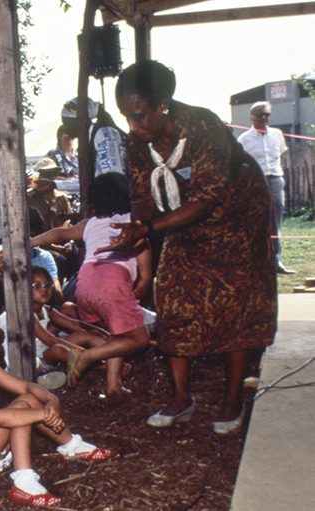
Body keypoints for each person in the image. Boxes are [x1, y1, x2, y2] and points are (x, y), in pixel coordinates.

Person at [105, 60, 276, 433]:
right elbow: (140, 195)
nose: (132, 126)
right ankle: (182, 398)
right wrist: (137, 229)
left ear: (163, 104)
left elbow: (208, 200)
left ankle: (232, 400)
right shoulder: (138, 140)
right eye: (126, 117)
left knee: (234, 300)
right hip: (182, 216)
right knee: (172, 293)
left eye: (138, 115)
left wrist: (149, 227)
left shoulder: (202, 125)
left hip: (238, 215)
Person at [0, 315, 112, 505]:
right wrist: (42, 414)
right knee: (18, 413)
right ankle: (24, 481)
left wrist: (51, 400)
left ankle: (71, 445)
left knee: (27, 401)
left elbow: (26, 387)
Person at [32, 174, 151, 394]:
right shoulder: (134, 226)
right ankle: (86, 356)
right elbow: (145, 274)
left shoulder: (90, 224)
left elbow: (59, 234)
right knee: (139, 339)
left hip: (85, 281)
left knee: (117, 336)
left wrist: (28, 242)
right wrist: (139, 287)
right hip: (112, 280)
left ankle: (113, 385)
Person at [28, 266, 109, 387]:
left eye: (48, 285)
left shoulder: (46, 310)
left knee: (82, 333)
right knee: (57, 348)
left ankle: (114, 351)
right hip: (39, 360)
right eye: (37, 285)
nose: (44, 289)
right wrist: (85, 353)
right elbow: (51, 340)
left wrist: (100, 332)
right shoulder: (28, 315)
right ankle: (102, 365)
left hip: (49, 348)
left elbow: (74, 324)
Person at [237, 101, 293, 274]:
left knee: (275, 219)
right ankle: (256, 260)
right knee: (255, 218)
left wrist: (277, 175)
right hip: (256, 181)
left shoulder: (277, 134)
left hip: (275, 179)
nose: (264, 118)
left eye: (266, 114)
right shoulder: (243, 139)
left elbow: (282, 156)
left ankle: (276, 261)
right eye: (259, 115)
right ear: (251, 116)